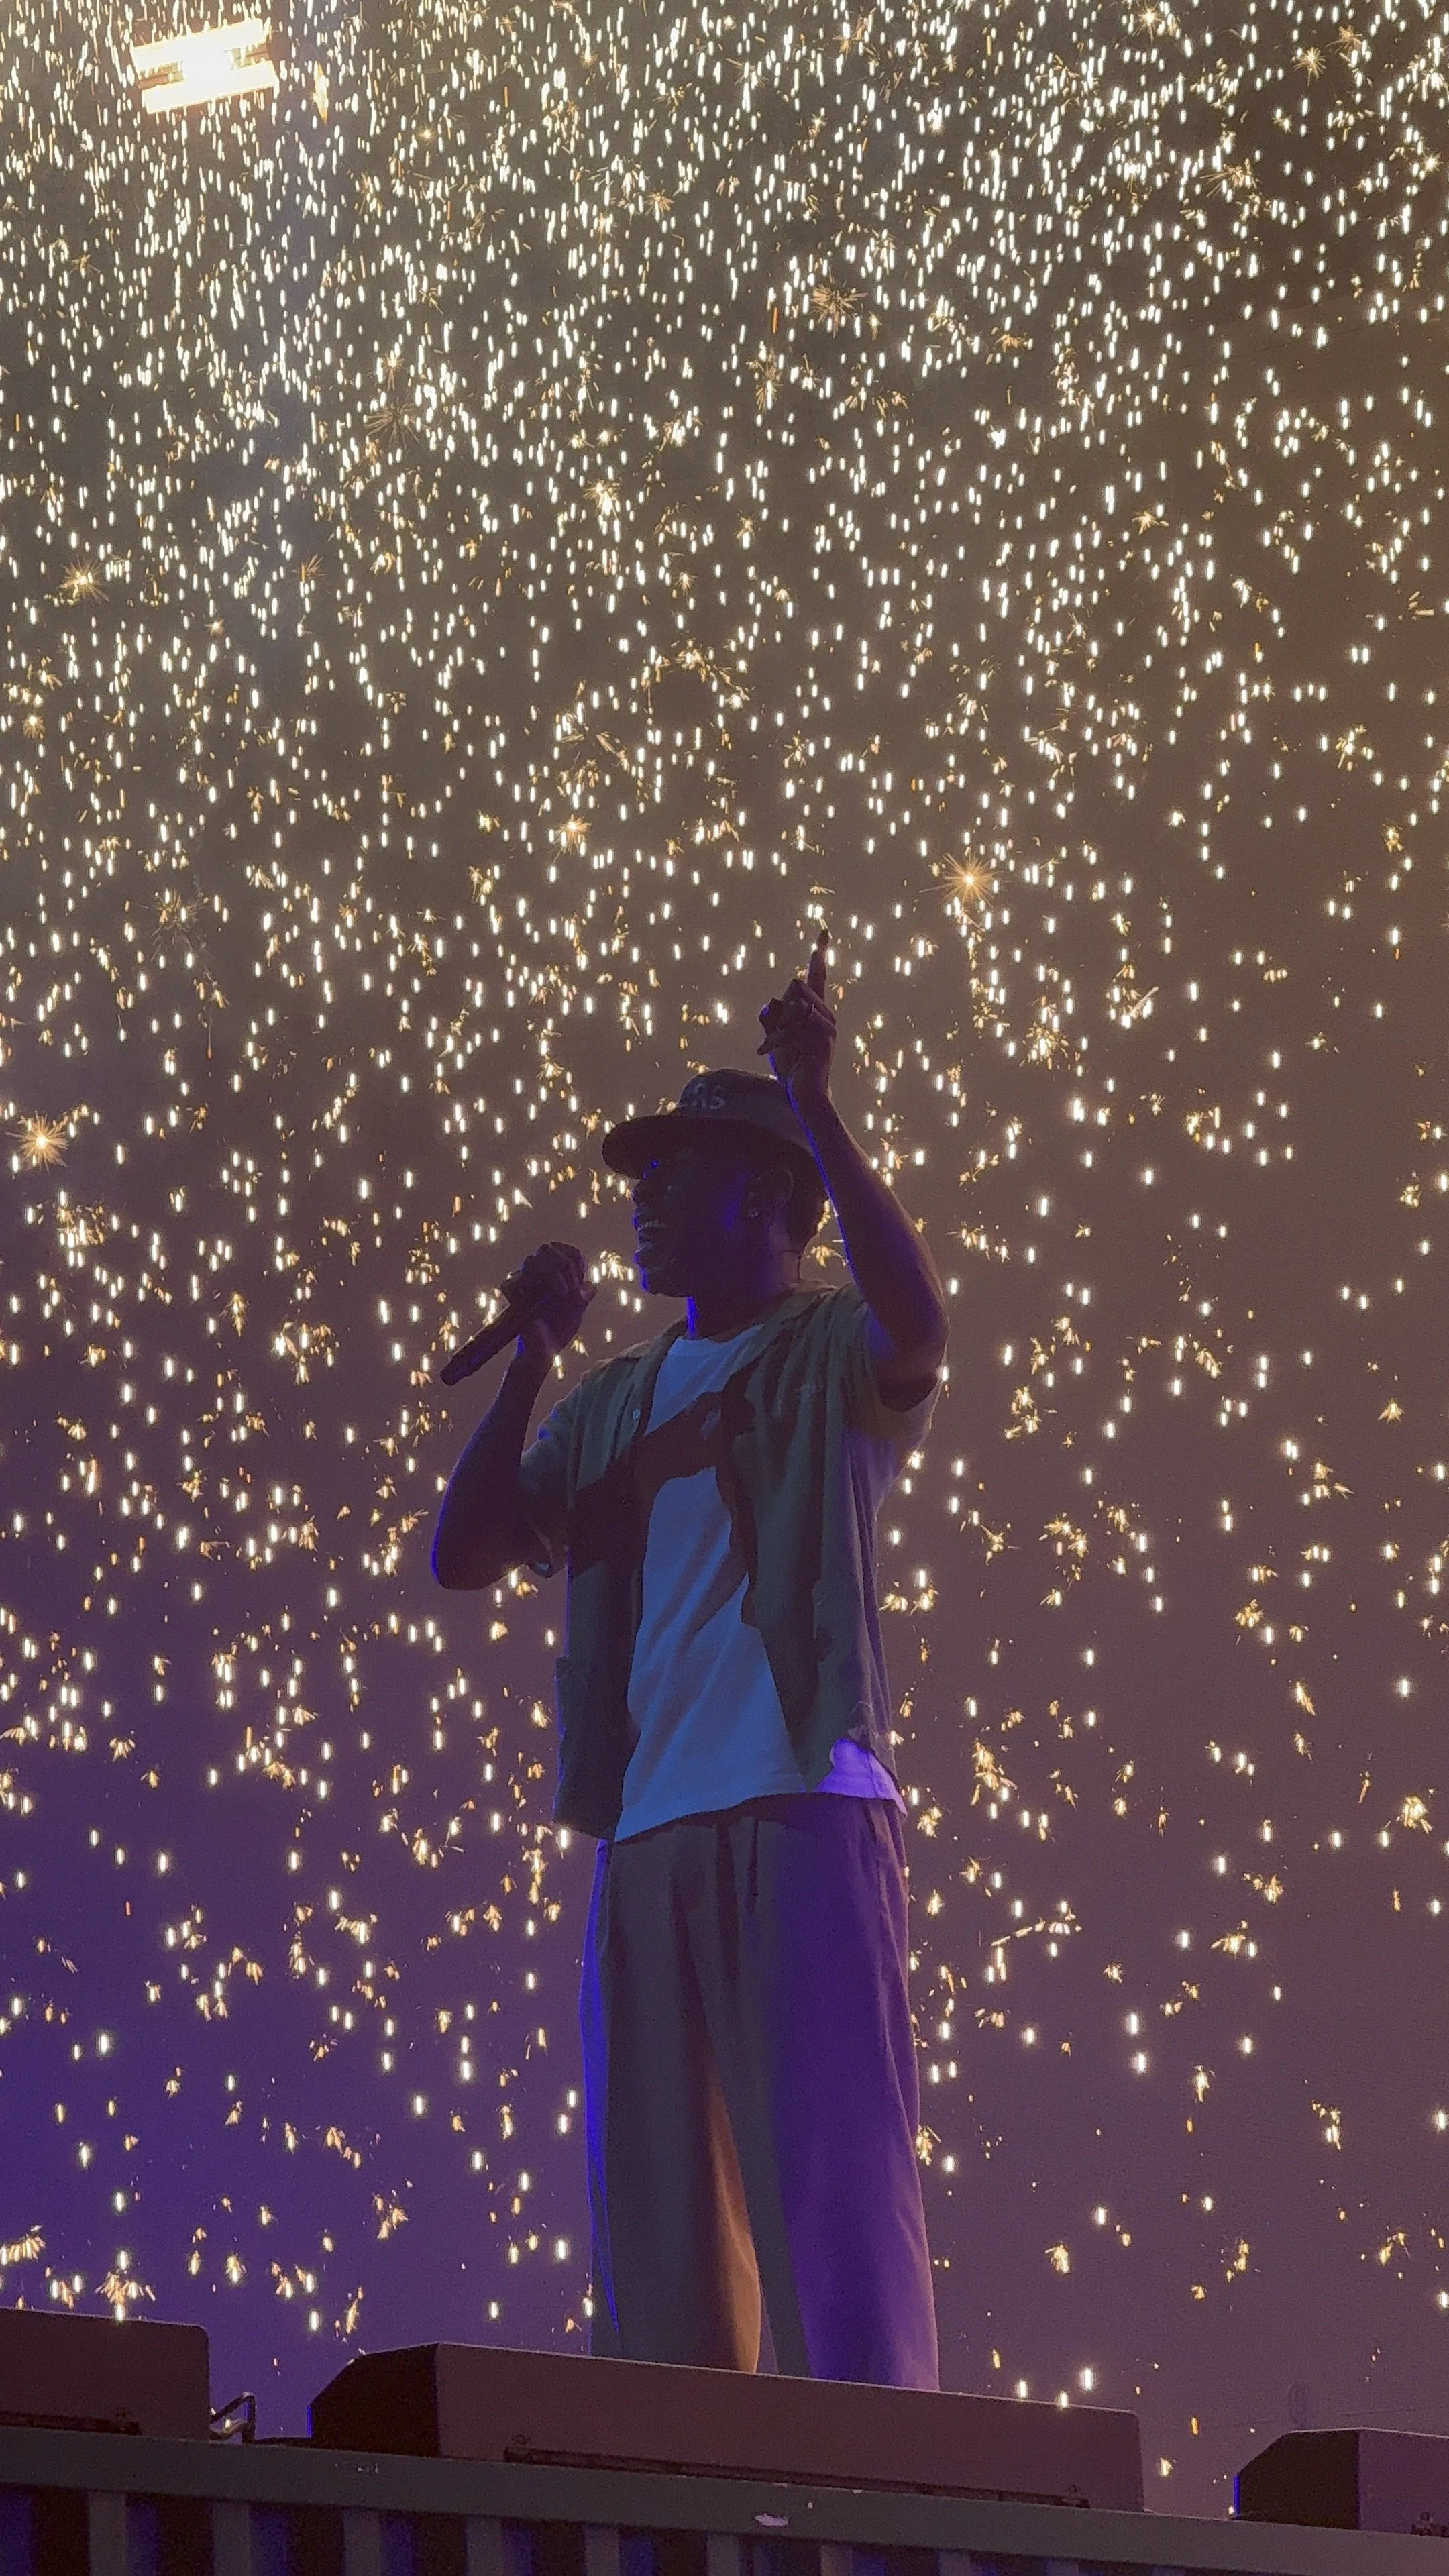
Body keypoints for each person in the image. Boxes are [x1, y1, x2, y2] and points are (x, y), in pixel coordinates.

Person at [432, 931, 949, 2387]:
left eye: (676, 1174)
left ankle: (883, 2491)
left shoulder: (826, 1349)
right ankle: (682, 2490)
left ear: (767, 1198)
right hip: (647, 1829)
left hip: (799, 1803)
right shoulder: (613, 1400)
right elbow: (463, 1555)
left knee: (832, 2214)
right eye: (638, 1179)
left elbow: (922, 1324)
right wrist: (533, 1353)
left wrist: (818, 1101)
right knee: (657, 2256)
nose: (641, 1204)